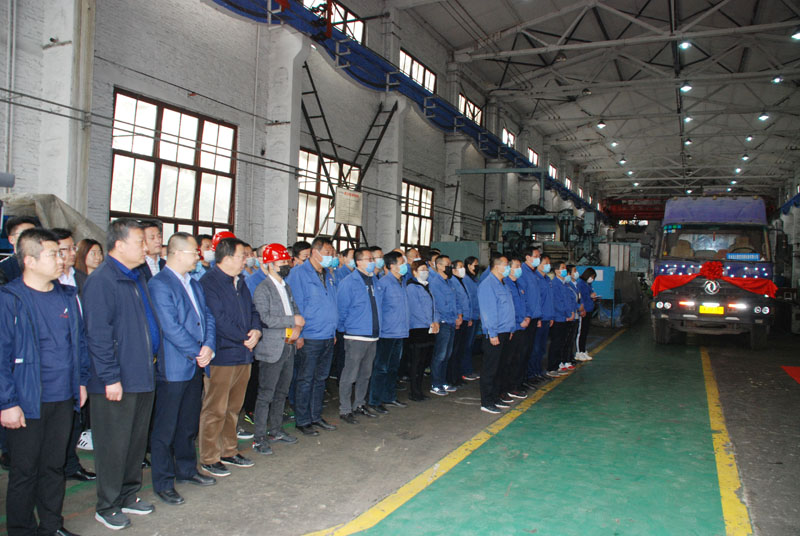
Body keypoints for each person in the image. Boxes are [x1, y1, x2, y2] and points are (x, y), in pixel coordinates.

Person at [0, 228, 89, 536]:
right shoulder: (10, 299)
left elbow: (79, 344)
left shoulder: (67, 296)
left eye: (62, 253)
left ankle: (51, 526)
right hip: (26, 400)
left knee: (53, 466)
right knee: (25, 471)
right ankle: (21, 529)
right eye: (54, 254)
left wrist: (81, 381)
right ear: (30, 260)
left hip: (62, 398)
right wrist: (7, 402)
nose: (62, 259)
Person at [83, 218, 163, 530]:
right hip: (117, 379)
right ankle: (107, 505)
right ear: (119, 245)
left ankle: (129, 494)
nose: (146, 247)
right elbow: (98, 335)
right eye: (140, 242)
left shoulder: (137, 276)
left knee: (134, 442)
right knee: (113, 445)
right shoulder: (103, 281)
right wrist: (110, 377)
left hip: (142, 372)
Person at [147, 233, 218, 506]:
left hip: (196, 363)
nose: (198, 257)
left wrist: (209, 345)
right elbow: (170, 326)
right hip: (175, 368)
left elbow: (207, 315)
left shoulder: (194, 283)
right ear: (176, 253)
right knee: (166, 428)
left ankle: (187, 469)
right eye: (193, 252)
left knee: (188, 423)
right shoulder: (160, 284)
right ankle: (163, 482)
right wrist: (197, 351)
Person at [198, 237, 261, 477]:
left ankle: (229, 450)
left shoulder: (240, 281)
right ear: (226, 257)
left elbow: (253, 310)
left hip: (243, 354)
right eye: (241, 255)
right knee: (215, 409)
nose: (245, 259)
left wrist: (256, 331)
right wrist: (245, 337)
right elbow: (218, 319)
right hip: (222, 356)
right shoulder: (209, 283)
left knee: (234, 407)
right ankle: (209, 457)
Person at [50, 228, 96, 485]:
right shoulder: (49, 283)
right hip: (57, 362)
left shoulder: (82, 278)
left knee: (76, 417)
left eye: (72, 248)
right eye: (63, 249)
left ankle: (69, 464)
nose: (69, 254)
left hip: (82, 355)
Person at [251, 244, 304, 454]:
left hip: (288, 346)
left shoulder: (286, 287)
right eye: (282, 262)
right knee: (266, 395)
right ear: (271, 264)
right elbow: (264, 318)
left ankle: (275, 430)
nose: (286, 265)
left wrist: (297, 328)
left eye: (286, 261)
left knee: (282, 392)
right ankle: (259, 438)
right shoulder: (263, 289)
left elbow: (295, 310)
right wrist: (292, 321)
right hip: (271, 349)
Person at [285, 237, 338, 436]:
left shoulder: (328, 274)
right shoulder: (299, 274)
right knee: (305, 379)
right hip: (309, 336)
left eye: (331, 253)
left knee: (320, 379)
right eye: (327, 252)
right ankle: (303, 420)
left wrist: (333, 332)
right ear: (315, 252)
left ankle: (316, 416)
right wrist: (297, 334)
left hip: (327, 335)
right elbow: (294, 305)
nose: (330, 256)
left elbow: (331, 303)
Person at [336, 248, 382, 424]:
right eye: (369, 259)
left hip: (372, 335)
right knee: (350, 374)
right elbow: (342, 309)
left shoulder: (374, 280)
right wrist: (345, 329)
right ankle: (345, 409)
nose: (373, 262)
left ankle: (359, 404)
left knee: (365, 374)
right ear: (359, 262)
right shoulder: (349, 282)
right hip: (356, 336)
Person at [368, 251, 409, 412]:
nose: (404, 266)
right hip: (386, 333)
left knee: (393, 367)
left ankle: (389, 397)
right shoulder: (383, 283)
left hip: (400, 332)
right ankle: (375, 401)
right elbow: (378, 308)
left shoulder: (402, 282)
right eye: (401, 263)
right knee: (381, 368)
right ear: (392, 266)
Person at [477, 255, 516, 414]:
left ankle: (495, 396)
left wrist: (511, 329)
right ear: (497, 266)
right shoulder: (488, 285)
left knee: (501, 367)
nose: (509, 268)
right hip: (495, 333)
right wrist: (492, 333)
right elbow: (488, 312)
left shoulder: (503, 284)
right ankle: (486, 401)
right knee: (490, 368)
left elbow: (508, 308)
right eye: (506, 265)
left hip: (505, 331)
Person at [405, 261, 439, 401]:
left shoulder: (427, 286)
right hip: (418, 328)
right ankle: (414, 391)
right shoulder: (411, 287)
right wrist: (429, 322)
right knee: (416, 361)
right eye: (422, 269)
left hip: (429, 329)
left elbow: (434, 306)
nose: (425, 271)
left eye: (426, 269)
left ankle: (419, 389)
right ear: (414, 272)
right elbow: (415, 309)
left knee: (423, 361)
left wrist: (435, 321)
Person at [427, 255, 460, 396]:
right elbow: (439, 305)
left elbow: (455, 300)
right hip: (443, 322)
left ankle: (443, 381)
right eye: (447, 264)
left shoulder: (450, 282)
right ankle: (436, 384)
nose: (450, 267)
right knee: (440, 354)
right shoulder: (435, 283)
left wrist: (458, 315)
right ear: (439, 266)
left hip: (451, 321)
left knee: (447, 354)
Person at [502, 258, 530, 400]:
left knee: (519, 357)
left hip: (523, 326)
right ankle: (507, 387)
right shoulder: (506, 284)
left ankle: (516, 385)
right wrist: (519, 321)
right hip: (514, 327)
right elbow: (510, 308)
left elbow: (525, 303)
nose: (520, 269)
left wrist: (528, 317)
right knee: (509, 359)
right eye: (517, 266)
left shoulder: (519, 284)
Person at [547, 261, 577, 377]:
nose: (565, 270)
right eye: (563, 268)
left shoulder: (564, 284)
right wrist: (567, 314)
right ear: (556, 271)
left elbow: (568, 301)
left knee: (561, 343)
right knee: (556, 343)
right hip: (559, 318)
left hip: (565, 318)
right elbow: (557, 303)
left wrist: (571, 312)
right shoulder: (555, 284)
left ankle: (558, 365)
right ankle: (551, 368)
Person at [518, 247, 543, 388]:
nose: (538, 259)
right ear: (527, 257)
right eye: (536, 256)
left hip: (533, 318)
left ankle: (527, 377)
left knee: (529, 350)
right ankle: (520, 380)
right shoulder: (523, 273)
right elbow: (523, 298)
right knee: (523, 351)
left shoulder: (533, 273)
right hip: (526, 319)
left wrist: (537, 316)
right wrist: (526, 316)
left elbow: (536, 297)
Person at [530, 254, 555, 381]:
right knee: (535, 348)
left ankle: (539, 371)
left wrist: (551, 316)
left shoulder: (548, 279)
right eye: (545, 263)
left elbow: (550, 300)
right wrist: (538, 318)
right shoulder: (536, 279)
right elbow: (536, 301)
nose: (548, 266)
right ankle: (532, 373)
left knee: (542, 348)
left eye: (549, 263)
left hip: (547, 318)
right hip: (540, 318)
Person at [447, 260, 471, 387]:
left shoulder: (462, 281)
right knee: (454, 350)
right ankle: (452, 377)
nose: (463, 269)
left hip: (465, 318)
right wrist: (458, 316)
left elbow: (466, 299)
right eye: (460, 267)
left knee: (461, 349)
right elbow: (455, 301)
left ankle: (458, 376)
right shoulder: (452, 281)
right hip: (458, 319)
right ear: (454, 269)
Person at [459, 256, 481, 382]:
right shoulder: (466, 280)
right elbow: (468, 300)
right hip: (470, 316)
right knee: (466, 345)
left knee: (470, 344)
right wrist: (470, 316)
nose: (477, 266)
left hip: (476, 316)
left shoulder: (475, 279)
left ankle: (468, 369)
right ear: (468, 266)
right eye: (475, 264)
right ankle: (466, 370)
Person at [0, 215, 37, 282]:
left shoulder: (45, 263)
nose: (31, 238)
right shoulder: (3, 268)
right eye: (24, 234)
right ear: (11, 239)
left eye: (34, 234)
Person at [575, 268, 598, 362]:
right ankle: (579, 352)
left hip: (589, 309)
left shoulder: (588, 284)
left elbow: (588, 295)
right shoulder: (580, 284)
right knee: (581, 332)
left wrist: (593, 297)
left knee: (585, 332)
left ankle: (583, 350)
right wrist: (582, 309)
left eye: (593, 277)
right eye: (592, 276)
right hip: (583, 310)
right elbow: (581, 298)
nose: (592, 279)